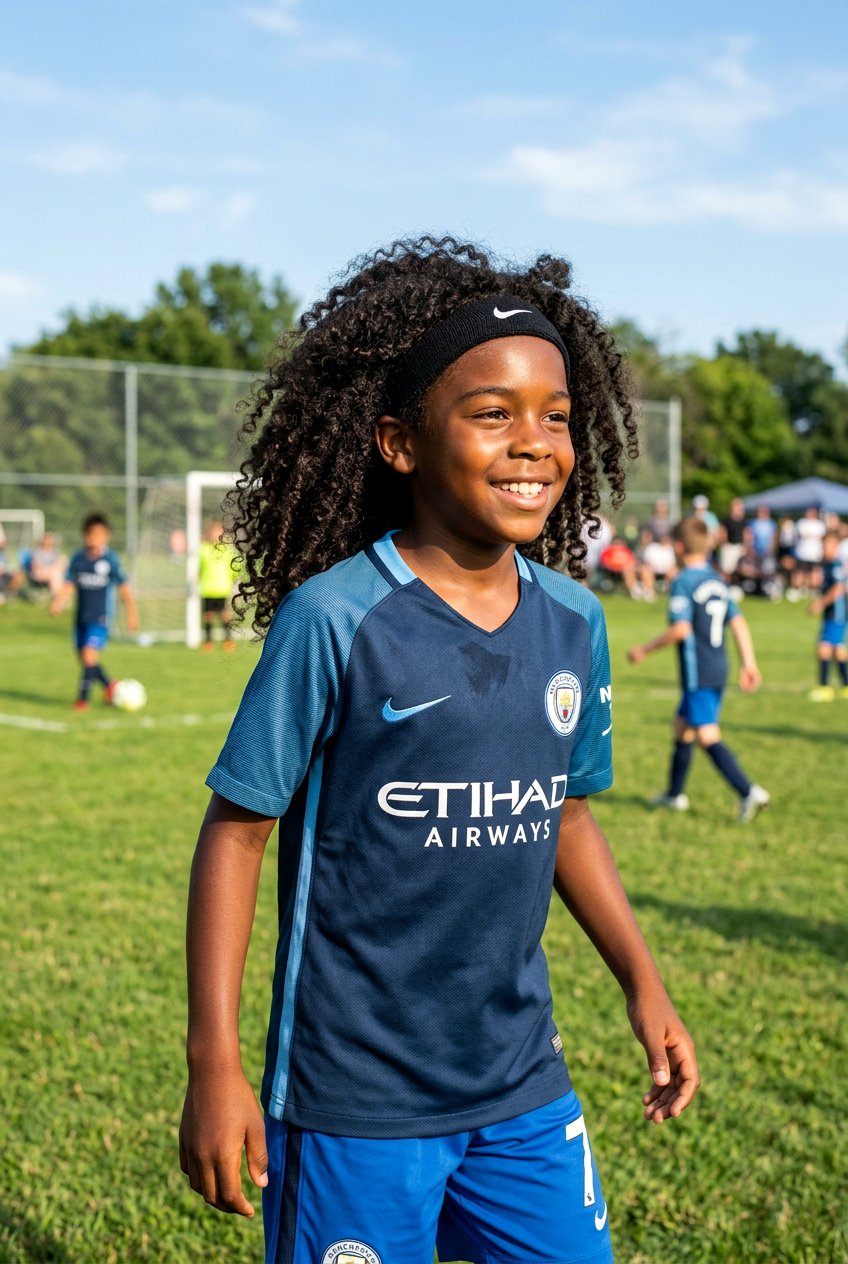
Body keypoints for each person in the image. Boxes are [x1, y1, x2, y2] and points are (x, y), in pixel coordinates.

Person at [178, 237, 699, 1264]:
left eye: (554, 416)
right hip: (352, 1098)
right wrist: (214, 1063)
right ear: (399, 443)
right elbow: (237, 835)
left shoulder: (571, 620)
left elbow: (563, 812)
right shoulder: (334, 620)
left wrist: (643, 982)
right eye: (491, 412)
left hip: (517, 1080)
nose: (533, 442)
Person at [628, 516, 769, 823]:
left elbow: (680, 630)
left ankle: (748, 792)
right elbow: (739, 621)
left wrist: (645, 649)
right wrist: (749, 663)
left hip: (698, 670)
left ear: (678, 546)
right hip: (719, 666)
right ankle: (674, 794)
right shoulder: (717, 579)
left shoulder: (684, 581)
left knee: (706, 735)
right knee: (683, 728)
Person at [50, 513, 138, 710]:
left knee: (90, 656)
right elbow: (68, 583)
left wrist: (132, 614)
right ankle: (110, 685)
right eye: (90, 534)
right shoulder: (78, 558)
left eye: (99, 534)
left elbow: (124, 588)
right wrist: (58, 601)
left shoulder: (110, 560)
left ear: (106, 536)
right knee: (85, 660)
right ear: (84, 535)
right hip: (81, 617)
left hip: (101, 618)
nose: (94, 538)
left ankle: (83, 699)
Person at [807, 531, 848, 701]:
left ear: (837, 546)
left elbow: (839, 588)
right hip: (832, 613)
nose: (825, 548)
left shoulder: (836, 566)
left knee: (824, 648)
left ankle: (824, 687)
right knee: (837, 649)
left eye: (828, 545)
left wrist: (820, 603)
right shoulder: (827, 565)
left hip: (836, 613)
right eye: (823, 545)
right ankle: (845, 686)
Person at [198, 519, 239, 652]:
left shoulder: (227, 550)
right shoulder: (203, 549)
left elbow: (234, 567)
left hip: (222, 588)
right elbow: (199, 567)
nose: (215, 535)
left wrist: (233, 579)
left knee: (224, 614)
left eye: (218, 533)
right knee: (208, 615)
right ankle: (208, 641)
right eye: (213, 532)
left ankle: (228, 640)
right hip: (207, 589)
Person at [717, 498, 747, 582]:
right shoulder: (726, 520)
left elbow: (746, 534)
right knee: (726, 569)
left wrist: (746, 546)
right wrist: (723, 545)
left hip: (740, 547)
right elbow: (722, 533)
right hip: (729, 547)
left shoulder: (743, 521)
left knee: (739, 569)